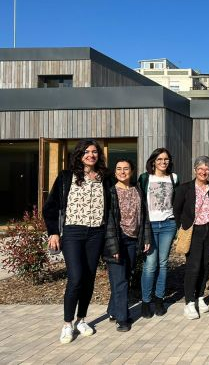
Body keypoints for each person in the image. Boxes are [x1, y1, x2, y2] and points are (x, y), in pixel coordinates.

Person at [43, 139, 111, 344]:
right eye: (87, 152)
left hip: (96, 233)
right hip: (73, 232)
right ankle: (67, 324)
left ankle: (82, 319)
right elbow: (51, 206)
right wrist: (54, 232)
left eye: (94, 152)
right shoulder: (66, 177)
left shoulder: (104, 178)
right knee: (76, 278)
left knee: (89, 277)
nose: (91, 155)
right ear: (79, 155)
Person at [104, 159, 152, 332]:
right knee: (120, 280)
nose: (122, 172)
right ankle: (122, 319)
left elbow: (144, 216)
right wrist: (113, 247)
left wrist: (146, 238)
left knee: (125, 276)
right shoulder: (110, 192)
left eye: (126, 168)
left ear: (132, 171)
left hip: (133, 240)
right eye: (118, 169)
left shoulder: (138, 189)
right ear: (115, 172)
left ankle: (112, 310)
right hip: (117, 240)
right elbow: (108, 221)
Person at [173, 156, 209, 320]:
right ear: (195, 170)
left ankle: (200, 297)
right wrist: (182, 228)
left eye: (207, 169)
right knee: (193, 266)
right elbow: (177, 210)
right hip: (193, 231)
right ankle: (189, 302)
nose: (204, 171)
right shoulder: (185, 188)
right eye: (200, 168)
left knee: (204, 266)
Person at [137, 148, 180, 318]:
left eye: (166, 159)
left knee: (163, 263)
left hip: (168, 224)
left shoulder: (173, 178)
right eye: (160, 159)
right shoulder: (145, 178)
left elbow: (176, 201)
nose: (163, 162)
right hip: (150, 225)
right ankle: (146, 301)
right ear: (153, 161)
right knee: (150, 264)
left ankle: (159, 299)